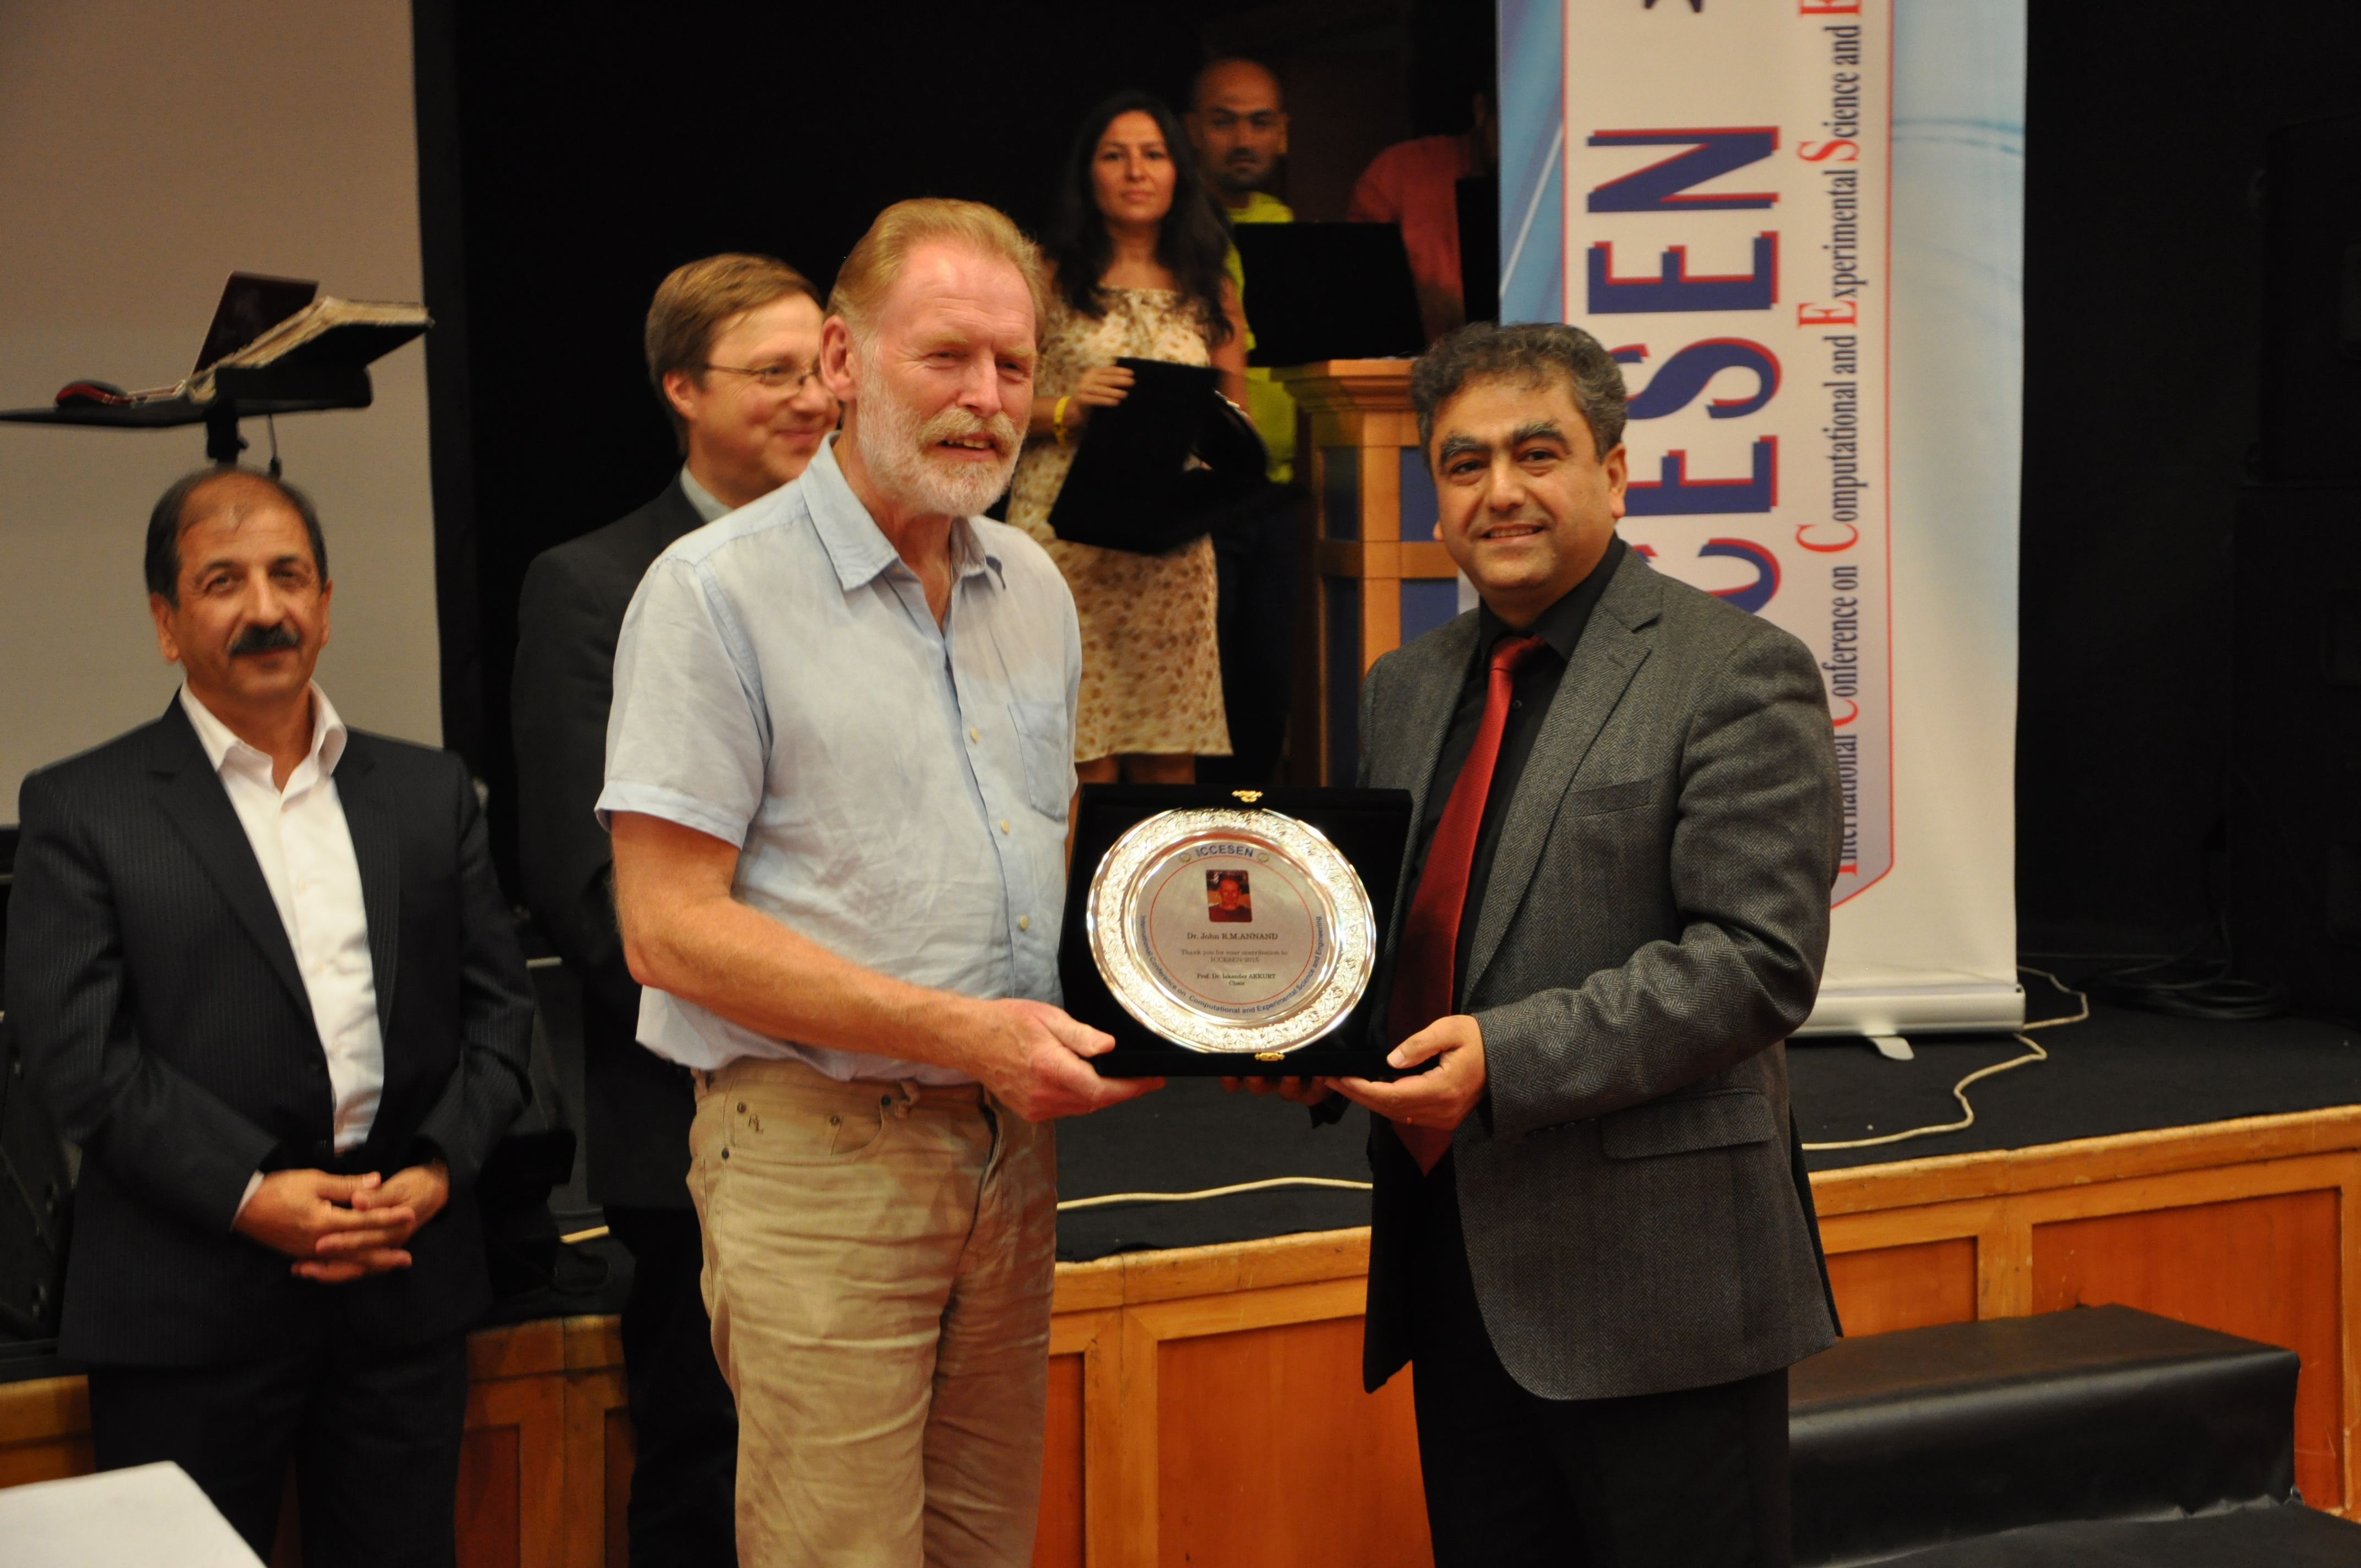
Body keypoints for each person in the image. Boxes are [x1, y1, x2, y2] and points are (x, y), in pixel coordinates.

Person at [599, 198, 1160, 1567]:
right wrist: (964, 1031)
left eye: (1014, 365)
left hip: (1008, 1157)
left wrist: (1183, 1012)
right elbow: (665, 930)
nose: (987, 399)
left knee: (985, 1549)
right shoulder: (709, 593)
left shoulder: (1032, 584)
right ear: (843, 362)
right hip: (819, 1156)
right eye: (946, 356)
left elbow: (1050, 856)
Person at [1250, 321, 1842, 1565]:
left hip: (1659, 1290)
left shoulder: (1736, 669)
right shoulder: (1405, 683)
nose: (1499, 491)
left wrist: (1501, 1060)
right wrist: (1314, 1040)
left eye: (1536, 453)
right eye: (1463, 463)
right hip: (1454, 1272)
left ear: (1613, 473)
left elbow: (1755, 960)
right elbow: (1403, 934)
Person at [6, 467, 535, 1566]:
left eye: (289, 576)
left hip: (402, 1283)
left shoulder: (430, 793)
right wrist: (252, 1194)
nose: (265, 608)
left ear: (325, 606)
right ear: (167, 621)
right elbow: (79, 1058)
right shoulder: (83, 807)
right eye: (223, 582)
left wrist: (435, 1172)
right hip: (185, 1303)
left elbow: (501, 1016)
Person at [512, 252, 832, 1567]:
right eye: (774, 372)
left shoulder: (878, 569)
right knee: (710, 1478)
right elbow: (584, 891)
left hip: (885, 1116)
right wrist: (806, 1011)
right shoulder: (591, 583)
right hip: (696, 1117)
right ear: (682, 390)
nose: (811, 397)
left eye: (822, 367)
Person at [1007, 90, 1248, 788]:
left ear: (1179, 172)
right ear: (1088, 173)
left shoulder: (1211, 284)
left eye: (1153, 155)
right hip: (1064, 532)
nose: (1136, 171)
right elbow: (993, 404)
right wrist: (1068, 407)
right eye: (1115, 156)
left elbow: (1235, 410)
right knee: (1081, 754)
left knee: (1170, 747)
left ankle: (1161, 869)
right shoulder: (1044, 274)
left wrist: (1223, 437)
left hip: (1170, 541)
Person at [1348, 90, 1499, 343]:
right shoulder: (1399, 172)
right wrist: (1419, 299)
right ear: (1482, 109)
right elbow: (1355, 291)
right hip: (1419, 361)